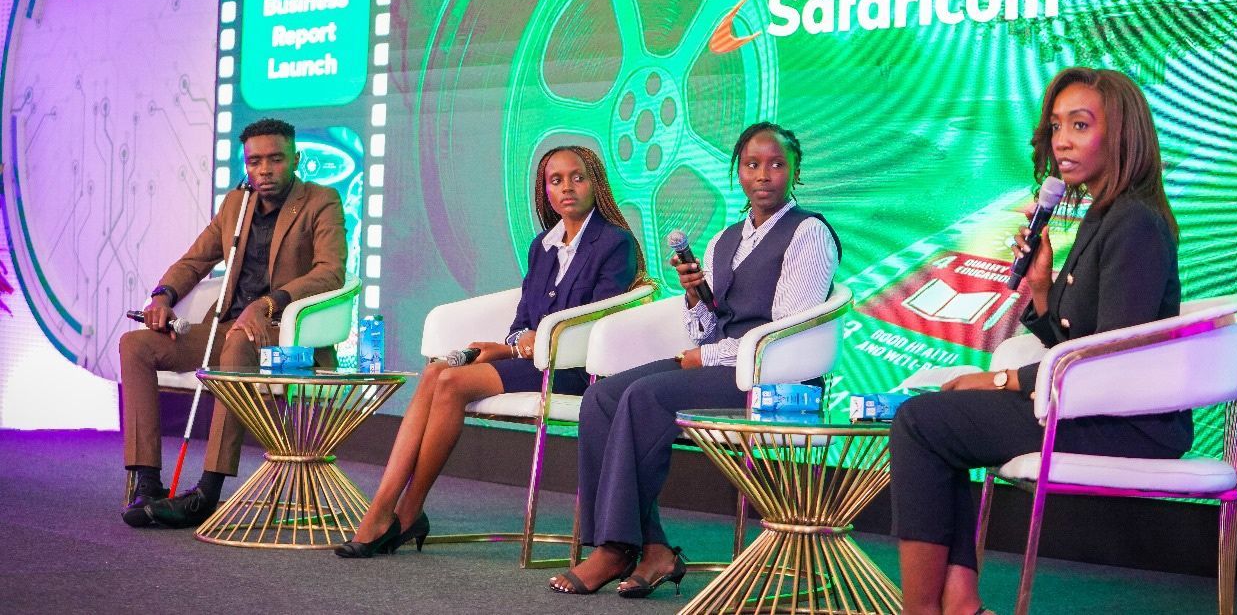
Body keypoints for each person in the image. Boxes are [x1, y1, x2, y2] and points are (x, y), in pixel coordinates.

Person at [889, 67, 1187, 615]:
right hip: (1092, 406)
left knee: (919, 422)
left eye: (1080, 125)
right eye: (1056, 127)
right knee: (935, 418)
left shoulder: (1134, 223)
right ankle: (960, 605)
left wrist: (1000, 379)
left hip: (1128, 425)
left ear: (1121, 133)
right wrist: (1042, 289)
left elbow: (1106, 357)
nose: (1063, 141)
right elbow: (1075, 343)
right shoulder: (1105, 216)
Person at [549, 122, 841, 596]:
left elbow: (785, 333)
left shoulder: (807, 233)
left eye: (776, 164)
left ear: (794, 172)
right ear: (738, 173)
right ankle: (653, 547)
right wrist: (694, 300)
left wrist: (705, 355)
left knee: (646, 398)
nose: (763, 174)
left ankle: (615, 547)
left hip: (773, 378)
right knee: (602, 396)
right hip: (722, 364)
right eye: (751, 165)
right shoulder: (725, 239)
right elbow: (709, 326)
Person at [335, 145, 645, 557]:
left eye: (577, 177)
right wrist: (507, 346)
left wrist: (523, 345)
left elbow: (597, 325)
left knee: (449, 382)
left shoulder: (614, 243)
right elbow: (521, 321)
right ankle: (387, 508)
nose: (567, 187)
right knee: (435, 371)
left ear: (595, 184)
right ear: (545, 192)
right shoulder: (542, 246)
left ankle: (402, 512)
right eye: (556, 180)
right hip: (528, 361)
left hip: (572, 370)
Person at [119, 118, 347, 528]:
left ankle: (207, 492)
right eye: (255, 161)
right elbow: (195, 260)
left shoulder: (321, 201)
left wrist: (268, 304)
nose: (264, 169)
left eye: (275, 159)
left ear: (296, 159)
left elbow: (331, 272)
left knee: (238, 342)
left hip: (284, 333)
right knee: (135, 345)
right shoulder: (235, 204)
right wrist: (162, 297)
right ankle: (147, 482)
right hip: (226, 329)